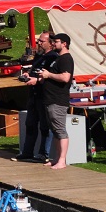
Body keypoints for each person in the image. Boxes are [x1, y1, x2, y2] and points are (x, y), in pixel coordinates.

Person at [30, 32, 75, 170]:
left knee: (60, 130)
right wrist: (39, 79)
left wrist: (48, 74)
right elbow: (50, 77)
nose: (53, 44)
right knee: (55, 130)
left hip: (58, 100)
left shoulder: (66, 59)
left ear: (64, 44)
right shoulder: (58, 59)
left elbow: (65, 77)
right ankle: (56, 158)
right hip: (49, 99)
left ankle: (62, 160)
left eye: (56, 42)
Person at [12, 32, 58, 162]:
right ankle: (27, 152)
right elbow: (35, 71)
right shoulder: (39, 55)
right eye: (39, 41)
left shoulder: (53, 57)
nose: (39, 43)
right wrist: (28, 75)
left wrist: (36, 80)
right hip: (33, 94)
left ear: (50, 43)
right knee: (30, 123)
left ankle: (44, 154)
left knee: (44, 125)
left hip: (44, 95)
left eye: (42, 41)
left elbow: (50, 76)